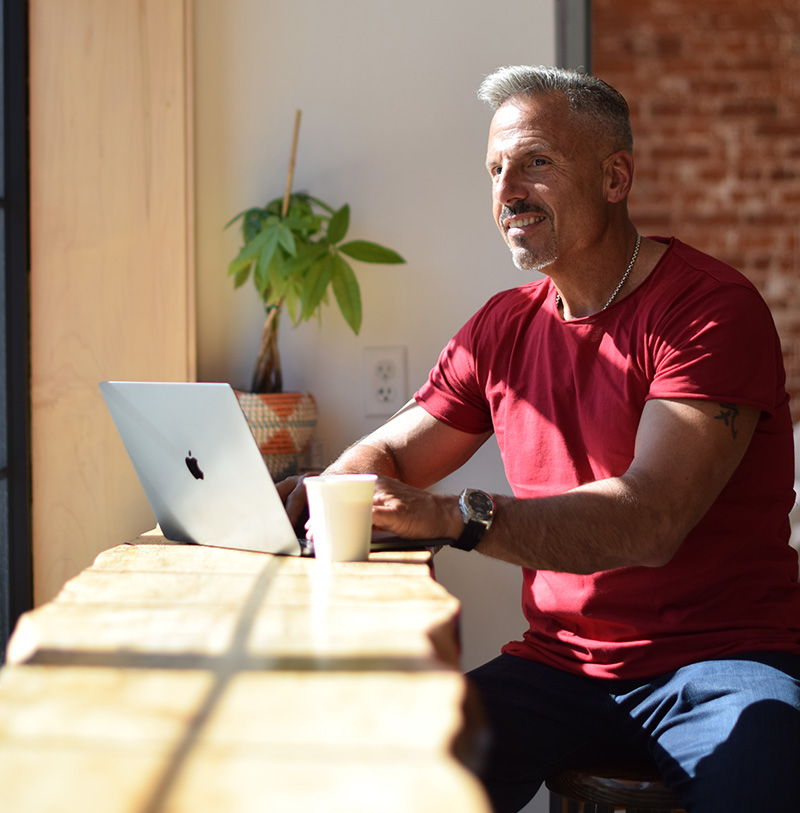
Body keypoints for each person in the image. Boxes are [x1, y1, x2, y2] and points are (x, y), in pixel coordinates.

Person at [279, 65, 800, 812]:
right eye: (495, 169)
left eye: (537, 162)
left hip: (721, 660)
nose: (508, 190)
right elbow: (389, 454)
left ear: (616, 177)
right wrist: (337, 490)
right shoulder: (503, 326)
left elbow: (651, 518)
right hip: (560, 666)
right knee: (393, 779)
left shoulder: (709, 311)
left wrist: (458, 516)